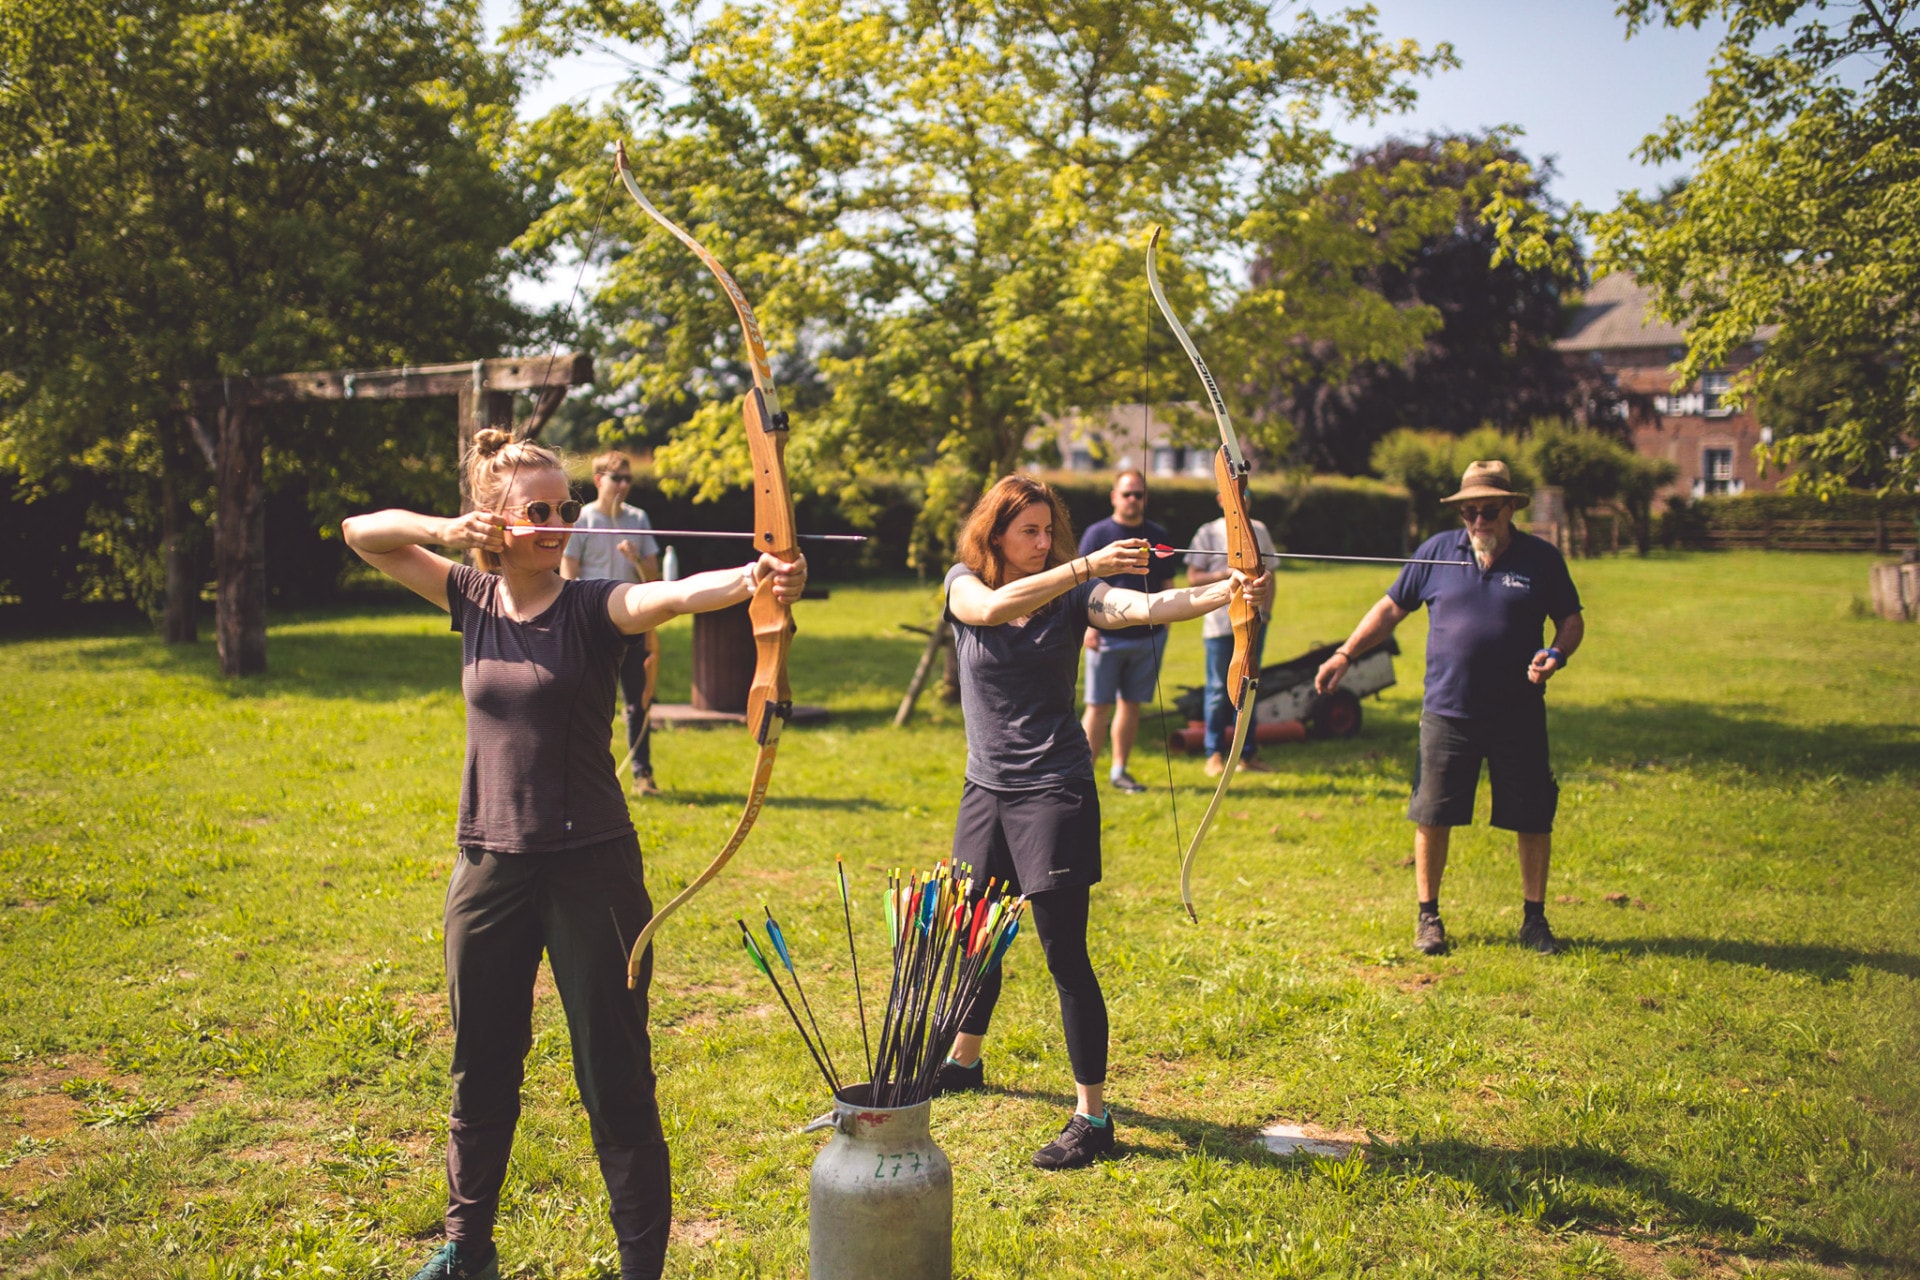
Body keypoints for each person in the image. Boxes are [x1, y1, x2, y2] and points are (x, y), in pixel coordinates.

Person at [341, 430, 807, 1280]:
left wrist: (756, 578)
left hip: (593, 870)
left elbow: (671, 596)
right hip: (488, 863)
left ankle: (640, 1268)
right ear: (496, 519)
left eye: (566, 506)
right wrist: (447, 531)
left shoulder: (594, 606)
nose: (560, 522)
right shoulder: (470, 596)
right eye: (541, 510)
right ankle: (466, 1249)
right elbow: (359, 533)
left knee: (614, 1073)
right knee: (480, 1065)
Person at [935, 474, 1269, 1169]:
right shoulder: (965, 584)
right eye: (1028, 532)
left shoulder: (1074, 594)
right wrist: (1084, 563)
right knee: (975, 937)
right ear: (995, 535)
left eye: (1048, 530)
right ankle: (963, 1061)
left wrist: (1227, 591)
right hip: (984, 791)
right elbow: (990, 610)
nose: (1043, 542)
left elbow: (1140, 605)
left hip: (1053, 789)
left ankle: (1094, 1118)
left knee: (1064, 954)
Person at [1313, 460, 1582, 958]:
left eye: (1488, 511)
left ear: (1510, 509)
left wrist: (1557, 653)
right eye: (1468, 512)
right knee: (1432, 815)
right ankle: (1428, 917)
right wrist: (1345, 654)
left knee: (1533, 817)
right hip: (1447, 711)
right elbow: (1391, 608)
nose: (1478, 521)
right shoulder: (1437, 552)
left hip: (1518, 713)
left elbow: (1570, 618)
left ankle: (1534, 919)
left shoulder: (1540, 559)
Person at [562, 450, 663, 796]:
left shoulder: (638, 519)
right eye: (616, 478)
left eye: (627, 479)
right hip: (592, 625)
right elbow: (568, 572)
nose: (623, 485)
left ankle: (642, 774)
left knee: (638, 701)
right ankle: (584, 776)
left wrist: (637, 559)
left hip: (633, 622)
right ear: (598, 480)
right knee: (588, 703)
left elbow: (653, 576)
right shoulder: (583, 519)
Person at [1076, 469, 1175, 793]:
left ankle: (1119, 770)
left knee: (1131, 704)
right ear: (1114, 497)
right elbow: (1081, 583)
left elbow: (1167, 583)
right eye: (1127, 493)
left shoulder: (1157, 535)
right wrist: (1086, 628)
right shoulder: (1097, 533)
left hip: (1148, 638)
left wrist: (1165, 625)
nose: (1133, 499)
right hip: (1105, 637)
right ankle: (1083, 775)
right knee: (1097, 706)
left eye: (1138, 494)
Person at [1185, 489, 1279, 777]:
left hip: (1253, 622)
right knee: (1217, 689)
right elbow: (1193, 577)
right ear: (1221, 499)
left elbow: (1271, 575)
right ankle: (1213, 753)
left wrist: (1266, 613)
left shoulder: (1259, 529)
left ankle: (1246, 754)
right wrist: (1227, 576)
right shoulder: (1208, 532)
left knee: (1249, 687)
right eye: (1233, 493)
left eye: (1244, 494)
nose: (1240, 500)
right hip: (1219, 623)